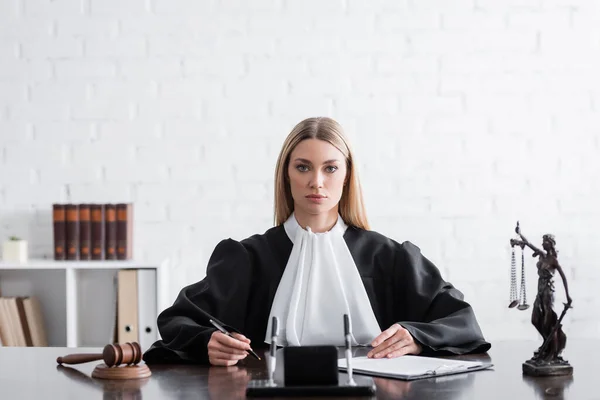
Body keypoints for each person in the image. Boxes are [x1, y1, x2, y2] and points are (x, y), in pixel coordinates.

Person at [143, 117, 491, 366]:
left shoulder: (390, 258)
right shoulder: (248, 258)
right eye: (303, 167)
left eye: (330, 168)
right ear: (286, 175)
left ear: (347, 175)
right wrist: (207, 341)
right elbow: (177, 321)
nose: (317, 183)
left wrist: (416, 338)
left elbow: (462, 322)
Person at [511, 228, 572, 363]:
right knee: (535, 319)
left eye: (545, 242)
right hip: (540, 291)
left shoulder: (553, 260)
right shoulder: (542, 255)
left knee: (548, 323)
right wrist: (520, 235)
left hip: (548, 292)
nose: (543, 244)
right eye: (543, 242)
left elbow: (563, 277)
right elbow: (529, 244)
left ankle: (552, 352)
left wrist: (568, 297)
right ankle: (546, 342)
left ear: (550, 244)